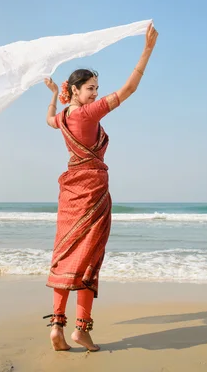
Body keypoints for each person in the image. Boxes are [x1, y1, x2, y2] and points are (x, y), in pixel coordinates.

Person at [41, 23, 158, 352]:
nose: (95, 93)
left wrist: (53, 96)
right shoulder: (89, 114)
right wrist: (147, 49)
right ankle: (81, 330)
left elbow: (48, 118)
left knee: (65, 256)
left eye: (96, 88)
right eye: (90, 88)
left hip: (69, 194)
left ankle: (57, 328)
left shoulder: (64, 118)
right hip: (92, 192)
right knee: (90, 258)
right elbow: (129, 89)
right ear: (76, 90)